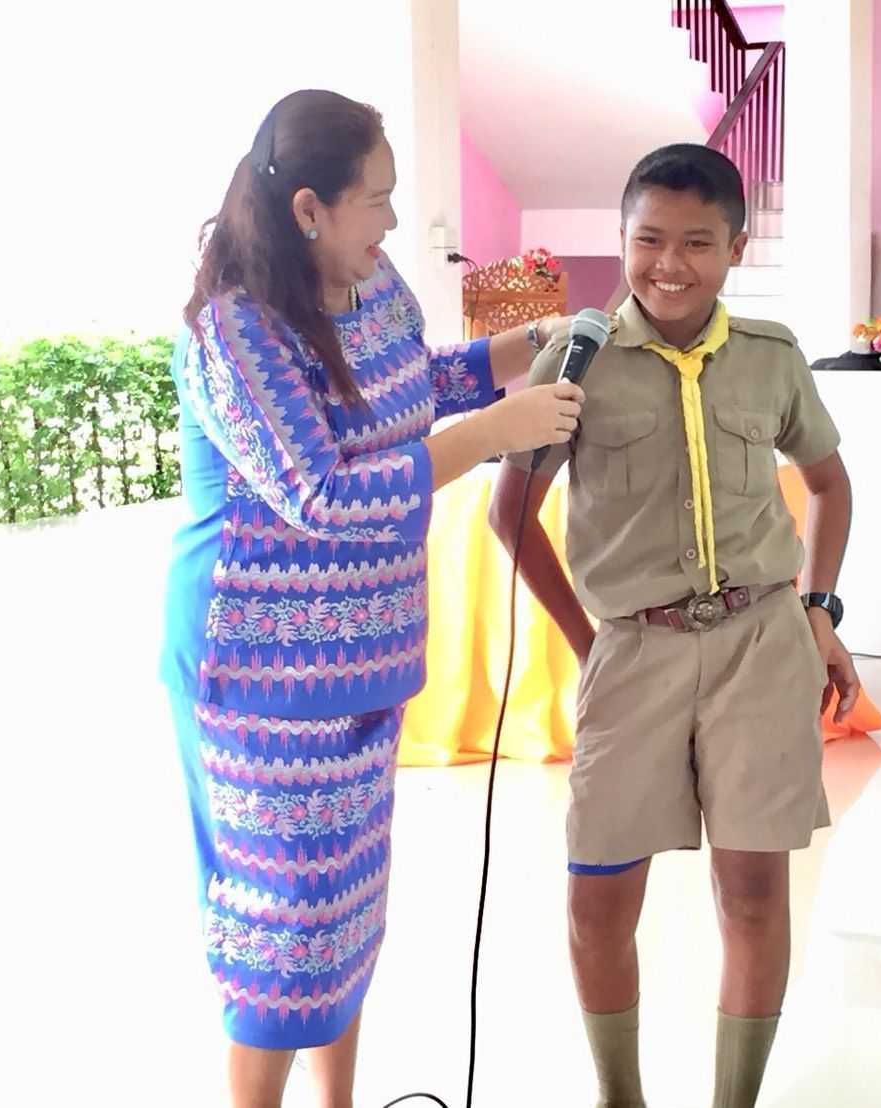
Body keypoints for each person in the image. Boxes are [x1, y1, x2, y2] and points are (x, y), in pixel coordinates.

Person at [160, 89, 585, 1108]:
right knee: (282, 930)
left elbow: (410, 383)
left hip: (364, 660)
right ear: (309, 209)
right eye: (377, 200)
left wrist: (522, 347)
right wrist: (490, 434)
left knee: (347, 916)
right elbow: (319, 493)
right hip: (260, 673)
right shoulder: (235, 331)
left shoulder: (373, 283)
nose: (394, 221)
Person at [489, 144, 861, 1108]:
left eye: (698, 242)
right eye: (648, 239)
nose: (669, 264)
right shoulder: (577, 360)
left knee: (755, 894)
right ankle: (621, 1097)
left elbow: (829, 485)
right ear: (621, 238)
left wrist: (818, 609)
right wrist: (590, 642)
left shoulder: (772, 357)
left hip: (759, 645)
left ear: (736, 247)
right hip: (633, 647)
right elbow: (509, 514)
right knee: (598, 898)